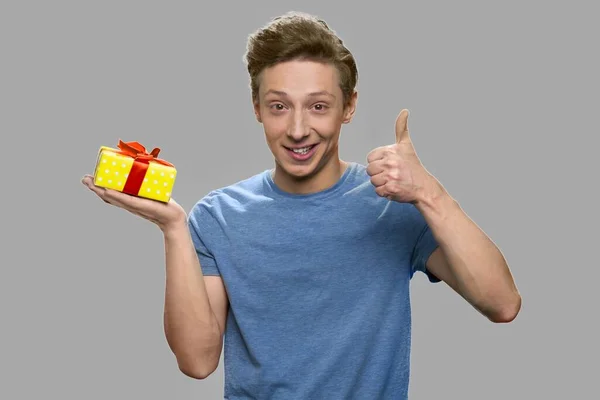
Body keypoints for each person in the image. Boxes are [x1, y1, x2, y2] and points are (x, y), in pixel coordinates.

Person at [81, 11, 521, 399]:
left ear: (348, 107)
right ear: (257, 108)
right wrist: (174, 227)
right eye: (278, 106)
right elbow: (196, 362)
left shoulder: (395, 205)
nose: (297, 129)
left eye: (318, 106)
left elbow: (502, 304)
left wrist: (429, 191)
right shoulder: (218, 216)